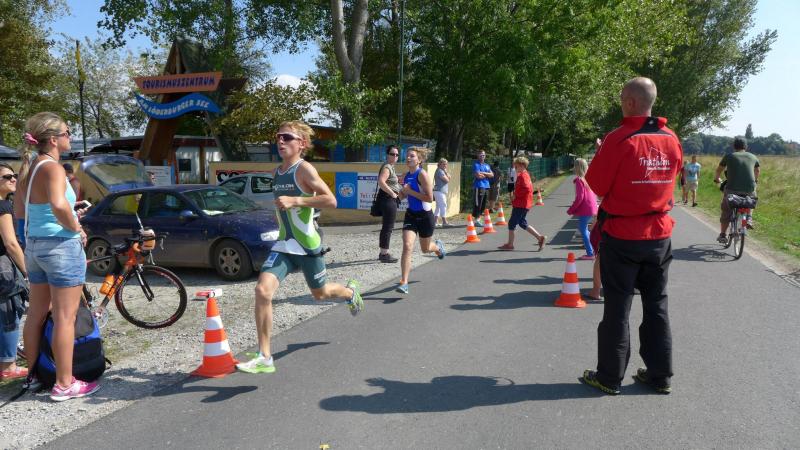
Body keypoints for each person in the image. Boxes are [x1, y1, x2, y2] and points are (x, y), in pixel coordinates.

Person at [237, 121, 364, 374]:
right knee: (262, 291)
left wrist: (296, 200)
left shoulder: (304, 169)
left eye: (287, 137)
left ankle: (350, 293)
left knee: (321, 294)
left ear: (301, 144)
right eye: (278, 137)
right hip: (284, 244)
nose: (280, 141)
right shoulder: (277, 172)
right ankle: (265, 356)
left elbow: (331, 200)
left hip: (307, 245)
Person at [581, 77, 682, 395]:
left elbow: (596, 184)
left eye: (621, 99)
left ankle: (609, 377)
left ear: (630, 102)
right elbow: (673, 175)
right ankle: (660, 376)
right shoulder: (671, 138)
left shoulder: (619, 138)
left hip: (623, 234)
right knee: (657, 305)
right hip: (659, 235)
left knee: (617, 307)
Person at [19, 112, 99, 401]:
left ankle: (34, 375)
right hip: (60, 247)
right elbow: (58, 204)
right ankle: (65, 384)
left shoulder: (30, 167)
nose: (70, 137)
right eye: (67, 133)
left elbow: (20, 210)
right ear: (53, 139)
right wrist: (76, 227)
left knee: (36, 314)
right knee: (66, 316)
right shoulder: (53, 168)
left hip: (35, 246)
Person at [396, 147, 446, 294]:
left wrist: (409, 191)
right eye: (407, 156)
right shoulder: (406, 176)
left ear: (419, 160)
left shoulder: (422, 174)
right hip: (411, 215)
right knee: (407, 246)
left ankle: (438, 248)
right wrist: (395, 198)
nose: (408, 158)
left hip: (425, 216)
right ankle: (404, 282)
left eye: (412, 156)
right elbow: (404, 194)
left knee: (425, 248)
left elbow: (430, 198)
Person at [0, 163, 28, 381]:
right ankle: (8, 366)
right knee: (10, 312)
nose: (13, 179)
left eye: (14, 175)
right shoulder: (3, 205)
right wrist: (27, 271)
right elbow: (10, 243)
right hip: (3, 267)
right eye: (7, 176)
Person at [714, 137, 759, 243]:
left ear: (734, 146)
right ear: (746, 146)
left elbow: (719, 170)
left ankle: (723, 235)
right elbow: (757, 171)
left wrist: (717, 179)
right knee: (751, 199)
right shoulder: (753, 157)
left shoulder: (729, 156)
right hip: (749, 188)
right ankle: (748, 218)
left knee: (726, 210)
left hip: (732, 189)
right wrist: (755, 181)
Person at [497, 157, 546, 251]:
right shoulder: (524, 175)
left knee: (512, 223)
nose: (515, 168)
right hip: (523, 203)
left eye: (516, 166)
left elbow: (527, 189)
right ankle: (540, 238)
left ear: (522, 165)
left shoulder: (523, 176)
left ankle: (510, 245)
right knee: (522, 223)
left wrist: (516, 195)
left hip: (521, 204)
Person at [567, 158, 598, 260]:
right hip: (591, 207)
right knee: (585, 229)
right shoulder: (587, 179)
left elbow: (580, 198)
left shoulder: (579, 180)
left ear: (577, 167)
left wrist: (572, 209)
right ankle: (593, 250)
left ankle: (590, 253)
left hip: (585, 208)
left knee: (583, 229)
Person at [376, 145, 402, 263]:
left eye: (397, 154)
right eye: (392, 154)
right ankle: (384, 254)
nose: (395, 156)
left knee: (387, 226)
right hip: (388, 199)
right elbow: (381, 182)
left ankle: (383, 252)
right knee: (388, 227)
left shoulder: (391, 166)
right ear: (387, 155)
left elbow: (389, 182)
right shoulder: (387, 167)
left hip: (388, 199)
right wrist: (392, 193)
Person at [471, 150, 493, 220]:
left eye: (483, 155)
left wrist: (483, 173)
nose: (482, 156)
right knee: (478, 203)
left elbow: (492, 175)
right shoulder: (476, 164)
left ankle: (479, 218)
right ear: (478, 156)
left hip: (486, 186)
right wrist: (487, 175)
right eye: (480, 155)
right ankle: (477, 218)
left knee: (483, 203)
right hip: (479, 186)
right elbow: (478, 176)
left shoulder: (487, 165)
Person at [433, 158, 451, 227]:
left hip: (439, 191)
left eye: (446, 164)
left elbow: (449, 177)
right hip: (439, 191)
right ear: (439, 164)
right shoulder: (440, 171)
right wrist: (446, 174)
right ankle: (444, 222)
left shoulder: (441, 171)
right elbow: (447, 180)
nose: (445, 166)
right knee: (443, 205)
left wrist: (446, 172)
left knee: (438, 206)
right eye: (443, 164)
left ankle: (435, 221)